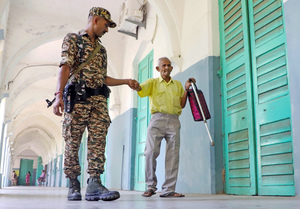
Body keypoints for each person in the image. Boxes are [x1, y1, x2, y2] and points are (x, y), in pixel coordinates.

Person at [53, 7, 136, 201]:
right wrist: (58, 95)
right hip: (77, 99)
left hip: (98, 101)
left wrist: (125, 81)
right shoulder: (73, 39)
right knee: (73, 141)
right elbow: (65, 67)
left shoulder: (102, 50)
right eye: (106, 25)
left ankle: (94, 183)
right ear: (96, 20)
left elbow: (102, 77)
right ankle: (73, 183)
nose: (107, 30)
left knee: (98, 141)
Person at [133, 57, 196, 198]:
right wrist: (136, 85)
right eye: (163, 65)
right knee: (150, 152)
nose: (166, 68)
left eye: (168, 65)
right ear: (158, 68)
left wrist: (186, 89)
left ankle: (168, 189)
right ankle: (150, 187)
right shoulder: (153, 83)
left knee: (173, 155)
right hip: (157, 120)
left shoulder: (178, 85)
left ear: (171, 68)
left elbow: (181, 105)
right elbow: (141, 89)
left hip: (174, 120)